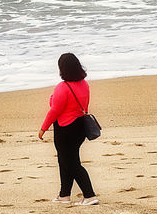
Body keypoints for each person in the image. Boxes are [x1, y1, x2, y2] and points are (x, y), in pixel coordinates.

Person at [38, 53, 99, 205]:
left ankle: (89, 195)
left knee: (70, 163)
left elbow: (55, 110)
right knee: (66, 160)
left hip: (65, 129)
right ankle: (64, 195)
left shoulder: (62, 87)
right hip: (80, 128)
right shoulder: (84, 84)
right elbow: (84, 105)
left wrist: (43, 128)